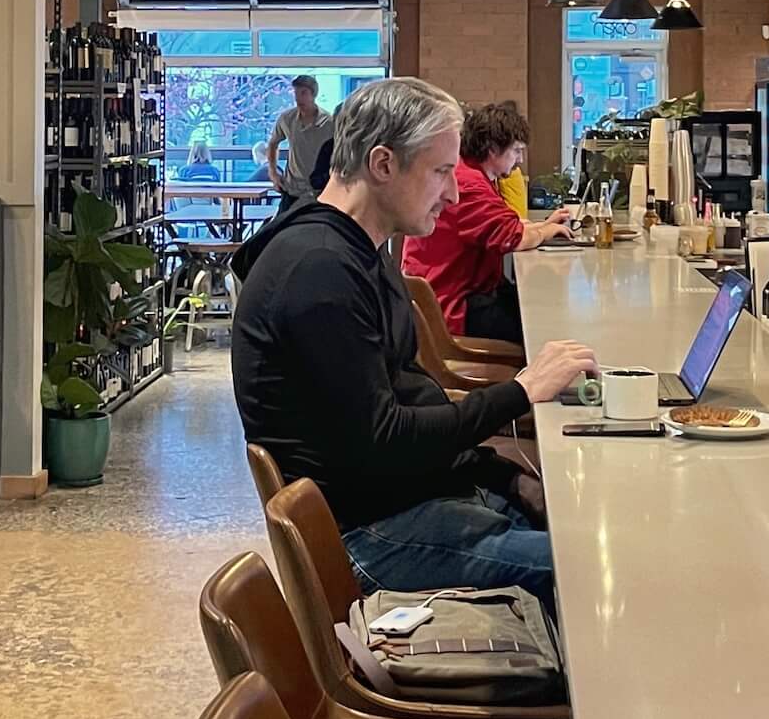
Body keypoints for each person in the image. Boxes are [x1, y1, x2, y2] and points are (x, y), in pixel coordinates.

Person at [232, 76, 595, 605]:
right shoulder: (318, 271)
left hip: (402, 496)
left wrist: (502, 474)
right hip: (370, 534)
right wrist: (520, 391)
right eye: (441, 172)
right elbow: (385, 439)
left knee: (586, 525)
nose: (452, 192)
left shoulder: (354, 249)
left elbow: (404, 404)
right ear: (383, 165)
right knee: (596, 571)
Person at [403, 100, 571, 344]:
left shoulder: (471, 175)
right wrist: (548, 230)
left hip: (457, 292)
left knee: (536, 307)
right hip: (455, 305)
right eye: (516, 151)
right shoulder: (470, 186)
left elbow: (504, 224)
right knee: (543, 326)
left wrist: (546, 226)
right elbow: (515, 237)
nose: (520, 160)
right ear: (492, 149)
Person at [263, 74, 333, 205]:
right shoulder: (287, 118)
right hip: (292, 188)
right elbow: (273, 143)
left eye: (303, 93)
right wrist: (273, 172)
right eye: (295, 93)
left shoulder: (328, 122)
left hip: (319, 189)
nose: (298, 97)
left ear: (313, 94)